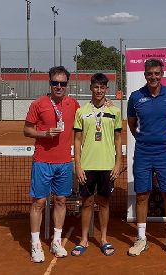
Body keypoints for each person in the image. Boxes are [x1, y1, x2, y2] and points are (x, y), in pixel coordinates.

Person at [127, 59, 166, 258]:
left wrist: (164, 138)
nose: (153, 77)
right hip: (143, 152)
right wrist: (144, 140)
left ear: (162, 74)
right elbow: (132, 124)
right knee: (142, 195)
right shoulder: (135, 98)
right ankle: (141, 238)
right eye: (150, 73)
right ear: (145, 75)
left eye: (157, 73)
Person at [24, 66, 80, 263]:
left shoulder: (73, 104)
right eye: (55, 82)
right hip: (42, 161)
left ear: (67, 84)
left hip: (64, 162)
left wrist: (105, 103)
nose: (58, 86)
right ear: (49, 83)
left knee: (61, 201)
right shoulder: (38, 104)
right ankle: (36, 243)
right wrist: (44, 134)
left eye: (62, 83)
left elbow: (86, 121)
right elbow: (27, 130)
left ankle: (56, 240)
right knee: (39, 202)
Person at [71, 73, 122, 257]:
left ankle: (104, 239)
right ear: (91, 87)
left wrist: (118, 162)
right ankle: (84, 239)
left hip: (107, 165)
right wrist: (78, 165)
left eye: (102, 87)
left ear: (106, 89)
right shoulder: (81, 111)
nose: (99, 90)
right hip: (87, 165)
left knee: (104, 203)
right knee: (86, 202)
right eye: (96, 87)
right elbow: (77, 140)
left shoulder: (114, 111)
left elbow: (118, 139)